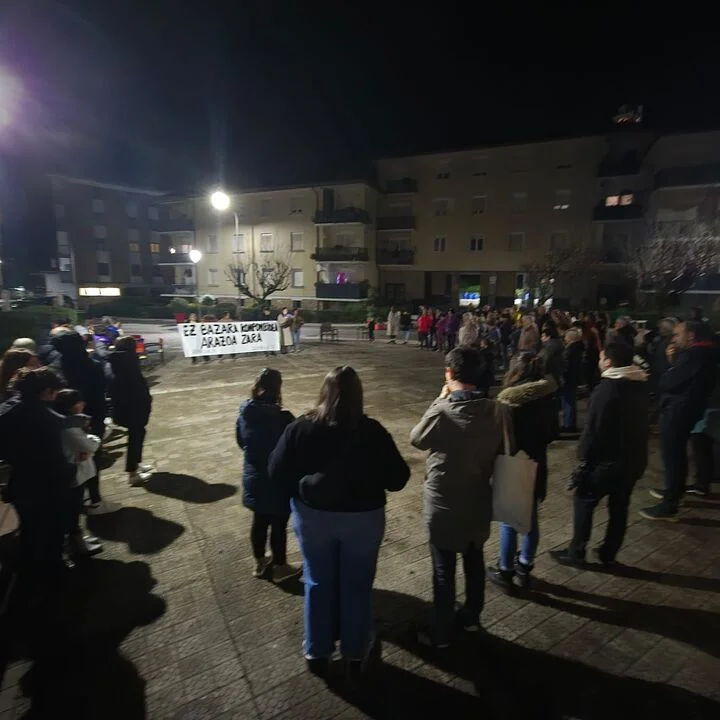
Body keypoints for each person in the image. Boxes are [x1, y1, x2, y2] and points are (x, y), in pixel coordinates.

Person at [268, 367, 409, 681]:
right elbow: (398, 479)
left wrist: (301, 488)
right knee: (356, 585)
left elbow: (275, 471)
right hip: (363, 519)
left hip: (313, 518)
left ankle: (317, 652)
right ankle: (355, 652)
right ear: (358, 395)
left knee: (318, 582)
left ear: (324, 392)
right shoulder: (372, 431)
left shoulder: (300, 428)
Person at [410, 347, 504, 647]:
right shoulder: (496, 410)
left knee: (443, 568)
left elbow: (417, 439)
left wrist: (440, 399)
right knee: (474, 560)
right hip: (478, 497)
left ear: (449, 373)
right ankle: (472, 617)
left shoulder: (443, 410)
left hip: (444, 501)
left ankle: (441, 633)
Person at [552, 343, 649, 565]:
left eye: (601, 357)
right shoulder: (639, 383)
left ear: (608, 362)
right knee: (619, 507)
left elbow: (594, 430)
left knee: (584, 499)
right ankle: (609, 552)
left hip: (608, 461)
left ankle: (577, 551)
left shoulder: (607, 389)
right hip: (634, 459)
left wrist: (583, 458)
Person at [486, 353, 557, 590]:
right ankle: (525, 566)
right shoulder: (547, 395)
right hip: (538, 461)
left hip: (514, 463)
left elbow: (497, 438)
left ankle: (506, 569)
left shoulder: (508, 401)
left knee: (509, 521)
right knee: (531, 519)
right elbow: (552, 432)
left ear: (515, 371)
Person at [0, 367, 74, 592]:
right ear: (46, 392)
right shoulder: (48, 419)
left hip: (19, 482)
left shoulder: (6, 410)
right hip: (47, 485)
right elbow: (55, 458)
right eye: (54, 392)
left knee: (29, 530)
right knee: (52, 530)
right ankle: (53, 573)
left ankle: (29, 572)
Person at [642, 321, 718, 519]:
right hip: (688, 408)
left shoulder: (693, 355)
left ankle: (670, 503)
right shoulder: (706, 353)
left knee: (673, 457)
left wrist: (671, 365)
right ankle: (674, 491)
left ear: (691, 335)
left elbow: (668, 382)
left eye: (677, 334)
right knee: (677, 455)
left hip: (679, 410)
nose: (674, 339)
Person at [236, 369, 297, 581]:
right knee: (278, 523)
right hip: (277, 480)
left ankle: (260, 563)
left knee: (259, 521)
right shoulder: (283, 418)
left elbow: (241, 441)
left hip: (254, 477)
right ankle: (280, 566)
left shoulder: (245, 413)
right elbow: (293, 449)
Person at [49, 330, 116, 515]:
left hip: (64, 423)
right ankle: (95, 500)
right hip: (90, 419)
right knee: (91, 459)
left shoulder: (54, 369)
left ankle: (78, 503)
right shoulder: (92, 366)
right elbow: (101, 391)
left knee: (72, 462)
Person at [54, 389, 104, 558]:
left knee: (76, 505)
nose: (83, 403)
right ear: (70, 406)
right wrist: (94, 440)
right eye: (79, 401)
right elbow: (89, 445)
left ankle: (77, 540)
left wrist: (88, 446)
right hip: (74, 471)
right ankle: (76, 544)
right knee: (73, 508)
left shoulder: (73, 421)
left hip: (77, 469)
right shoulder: (69, 427)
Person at [108, 336, 154, 486]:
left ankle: (136, 464)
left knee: (138, 436)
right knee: (135, 438)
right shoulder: (127, 363)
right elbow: (135, 387)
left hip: (128, 408)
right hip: (132, 408)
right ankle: (132, 473)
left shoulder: (117, 361)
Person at [560, 328, 584, 433]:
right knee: (570, 401)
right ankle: (570, 423)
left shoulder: (570, 350)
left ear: (570, 338)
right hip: (573, 378)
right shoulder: (578, 349)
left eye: (565, 336)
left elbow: (566, 365)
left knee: (568, 401)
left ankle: (568, 424)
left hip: (568, 378)